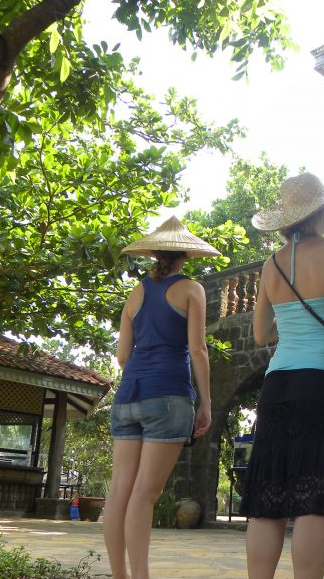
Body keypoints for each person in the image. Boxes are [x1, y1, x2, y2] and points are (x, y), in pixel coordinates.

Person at [241, 172, 324, 579]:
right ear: (322, 211)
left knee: (269, 493)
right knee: (316, 494)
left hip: (279, 385)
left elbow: (262, 334)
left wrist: (292, 319)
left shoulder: (270, 264)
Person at [104, 216, 219, 579]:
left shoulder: (134, 293)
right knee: (144, 495)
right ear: (186, 254)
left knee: (120, 491)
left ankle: (120, 576)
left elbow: (123, 356)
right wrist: (206, 402)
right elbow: (197, 350)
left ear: (154, 253)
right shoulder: (191, 289)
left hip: (128, 397)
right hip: (167, 396)